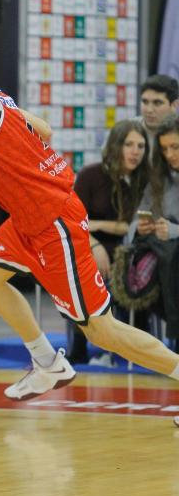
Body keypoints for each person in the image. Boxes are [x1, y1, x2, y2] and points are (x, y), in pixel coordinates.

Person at [0, 32, 179, 409]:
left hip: (53, 219)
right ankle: (47, 361)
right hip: (28, 218)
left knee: (101, 330)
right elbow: (44, 129)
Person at [67, 120, 150, 363]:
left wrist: (103, 225)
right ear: (115, 145)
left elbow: (136, 225)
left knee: (131, 265)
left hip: (131, 247)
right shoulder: (91, 175)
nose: (136, 151)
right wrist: (95, 242)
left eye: (141, 146)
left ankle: (136, 347)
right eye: (129, 144)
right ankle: (80, 347)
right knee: (83, 267)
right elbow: (73, 222)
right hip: (88, 245)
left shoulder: (143, 180)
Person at [128, 114, 179, 347]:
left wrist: (175, 231)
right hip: (161, 256)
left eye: (175, 147)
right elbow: (136, 222)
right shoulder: (159, 179)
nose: (170, 155)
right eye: (165, 149)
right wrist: (141, 227)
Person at [138, 74, 179, 156]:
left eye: (157, 103)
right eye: (145, 102)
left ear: (174, 105)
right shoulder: (126, 131)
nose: (149, 110)